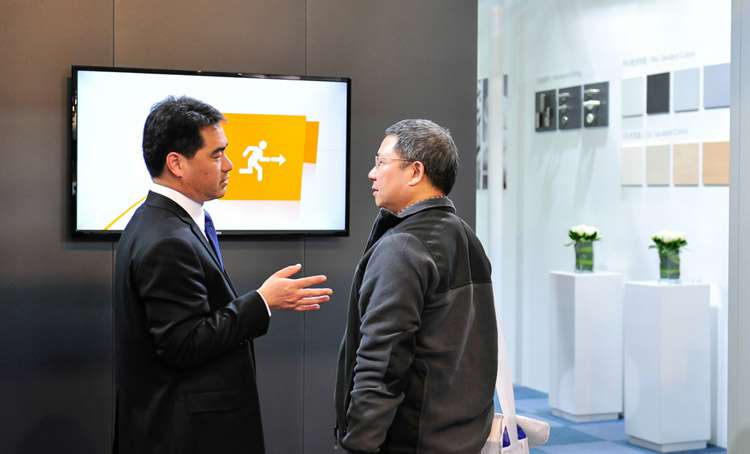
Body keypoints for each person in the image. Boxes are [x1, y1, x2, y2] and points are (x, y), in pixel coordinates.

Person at [113, 96, 332, 454]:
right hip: (185, 435)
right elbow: (183, 344)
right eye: (216, 155)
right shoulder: (166, 239)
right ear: (176, 163)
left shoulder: (163, 221)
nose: (229, 165)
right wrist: (262, 301)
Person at [334, 119, 498, 454]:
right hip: (462, 437)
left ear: (415, 171)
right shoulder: (464, 234)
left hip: (414, 441)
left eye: (381, 162)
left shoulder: (403, 247)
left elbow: (382, 362)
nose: (372, 173)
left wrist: (358, 444)